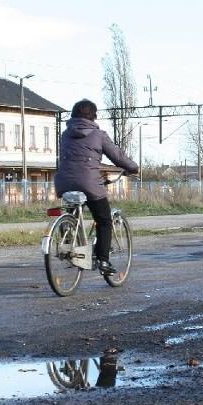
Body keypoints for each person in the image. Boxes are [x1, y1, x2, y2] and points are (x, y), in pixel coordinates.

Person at [54, 99, 139, 275]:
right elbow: (117, 156)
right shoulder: (99, 135)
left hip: (63, 181)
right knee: (104, 220)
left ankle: (69, 237)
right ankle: (103, 260)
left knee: (73, 211)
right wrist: (133, 167)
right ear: (93, 116)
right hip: (89, 183)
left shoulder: (65, 134)